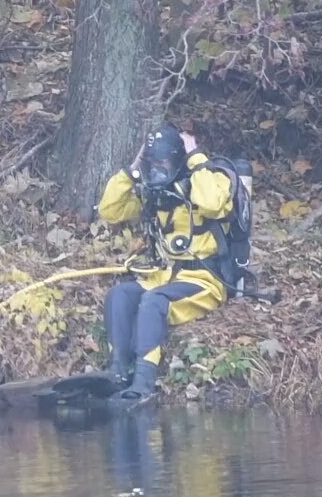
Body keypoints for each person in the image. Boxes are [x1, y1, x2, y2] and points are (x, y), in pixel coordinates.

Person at [96, 123, 238, 405]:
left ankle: (143, 383)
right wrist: (134, 169)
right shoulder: (157, 192)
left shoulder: (209, 179)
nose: (157, 171)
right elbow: (110, 212)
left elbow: (211, 204)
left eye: (162, 164)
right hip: (167, 276)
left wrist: (195, 156)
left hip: (205, 280)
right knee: (119, 295)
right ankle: (118, 371)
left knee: (153, 302)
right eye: (153, 165)